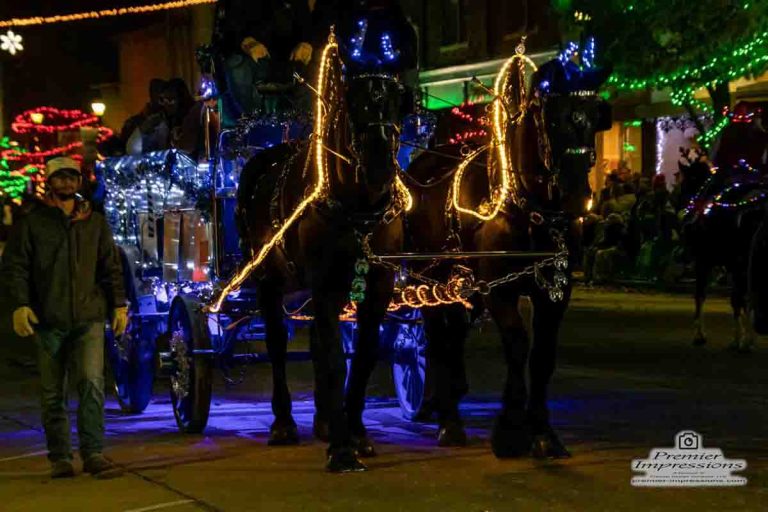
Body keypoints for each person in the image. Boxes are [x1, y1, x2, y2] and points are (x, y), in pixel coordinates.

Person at [1, 157, 127, 479]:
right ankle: (60, 457)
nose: (67, 183)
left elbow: (110, 267)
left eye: (72, 177)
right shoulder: (32, 223)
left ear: (79, 182)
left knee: (91, 385)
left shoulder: (95, 222)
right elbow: (16, 267)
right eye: (61, 178)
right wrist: (20, 304)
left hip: (89, 317)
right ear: (49, 181)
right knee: (52, 391)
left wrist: (119, 305)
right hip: (48, 319)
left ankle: (93, 452)